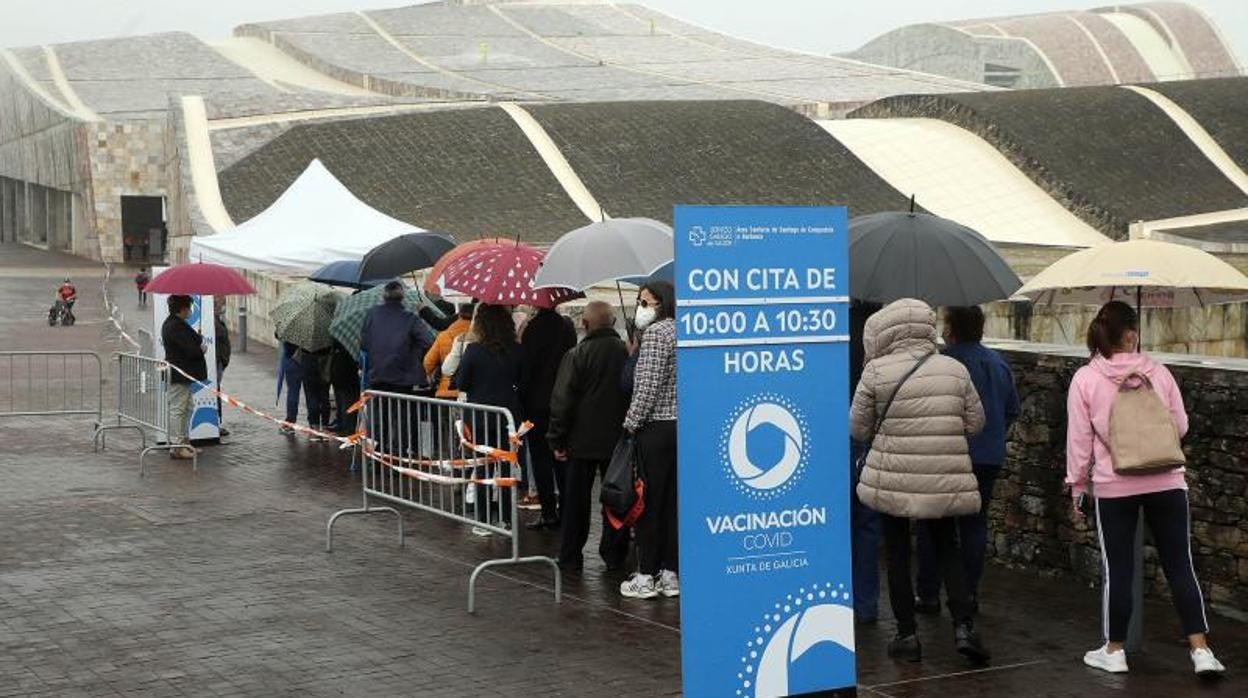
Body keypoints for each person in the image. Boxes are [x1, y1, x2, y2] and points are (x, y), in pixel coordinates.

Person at [1067, 301, 1225, 677]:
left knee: (1118, 570)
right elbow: (1181, 426)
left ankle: (1115, 650)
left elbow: (1079, 442)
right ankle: (1201, 650)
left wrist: (1077, 487)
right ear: (1132, 333)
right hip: (1167, 480)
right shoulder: (1160, 373)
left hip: (1114, 485)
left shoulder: (1086, 379)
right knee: (1180, 565)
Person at [850, 298, 988, 664]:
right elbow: (976, 423)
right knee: (947, 547)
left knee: (896, 552)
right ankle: (963, 627)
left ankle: (907, 635)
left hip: (892, 476)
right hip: (942, 476)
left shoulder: (876, 371)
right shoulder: (953, 369)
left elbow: (858, 428)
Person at [915, 306, 1020, 615]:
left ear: (952, 328)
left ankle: (929, 593)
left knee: (932, 522)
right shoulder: (998, 364)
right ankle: (968, 593)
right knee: (975, 524)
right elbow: (1012, 409)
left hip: (946, 455)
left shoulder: (940, 363)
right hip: (988, 456)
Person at [547, 301, 631, 571]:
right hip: (617, 440)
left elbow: (562, 400)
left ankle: (571, 554)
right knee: (617, 499)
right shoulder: (626, 352)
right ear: (613, 320)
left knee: (575, 503)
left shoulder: (577, 354)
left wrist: (556, 438)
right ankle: (615, 553)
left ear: (585, 324)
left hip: (580, 441)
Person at [619, 281, 678, 600]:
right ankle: (670, 573)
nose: (641, 308)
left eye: (646, 302)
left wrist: (630, 423)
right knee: (671, 503)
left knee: (648, 503)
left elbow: (647, 387)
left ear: (661, 303)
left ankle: (645, 575)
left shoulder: (657, 334)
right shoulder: (685, 329)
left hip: (655, 428)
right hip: (681, 427)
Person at [452, 304, 524, 525]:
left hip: (480, 417)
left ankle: (483, 519)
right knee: (505, 470)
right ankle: (506, 518)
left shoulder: (474, 350)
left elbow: (461, 383)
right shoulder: (517, 349)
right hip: (508, 418)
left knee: (482, 469)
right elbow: (523, 380)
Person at [520, 306, 577, 530]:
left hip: (537, 404)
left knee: (540, 459)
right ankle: (567, 510)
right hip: (563, 401)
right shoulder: (566, 327)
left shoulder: (533, 328)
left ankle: (548, 511)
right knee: (562, 459)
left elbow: (527, 368)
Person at [849, 299, 883, 624]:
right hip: (874, 439)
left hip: (837, 433)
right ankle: (866, 604)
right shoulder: (884, 334)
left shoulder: (837, 324)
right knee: (868, 524)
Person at [361, 281, 435, 396]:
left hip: (377, 375)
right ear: (402, 297)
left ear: (384, 296)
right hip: (403, 377)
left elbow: (364, 344)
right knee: (400, 412)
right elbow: (429, 341)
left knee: (380, 412)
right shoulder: (410, 318)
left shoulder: (372, 314)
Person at [161, 295, 207, 460]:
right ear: (182, 309)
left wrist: (197, 339)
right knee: (179, 409)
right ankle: (177, 445)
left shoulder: (176, 324)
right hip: (179, 374)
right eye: (188, 307)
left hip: (183, 375)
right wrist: (200, 347)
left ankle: (184, 442)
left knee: (187, 408)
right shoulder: (175, 326)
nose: (190, 310)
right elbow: (190, 350)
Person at [425, 303, 474, 399]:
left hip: (447, 389)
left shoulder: (443, 336)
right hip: (470, 392)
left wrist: (431, 375)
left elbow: (428, 363)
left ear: (459, 315)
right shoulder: (479, 337)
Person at [213, 297, 232, 437]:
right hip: (216, 361)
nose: (222, 304)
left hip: (220, 361)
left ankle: (216, 423)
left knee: (216, 391)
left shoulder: (216, 319)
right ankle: (215, 424)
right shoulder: (212, 321)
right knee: (215, 392)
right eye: (219, 300)